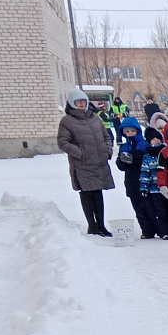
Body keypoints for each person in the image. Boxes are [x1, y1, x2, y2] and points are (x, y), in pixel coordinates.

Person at [57, 86, 115, 237]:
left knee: (98, 194)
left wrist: (107, 151)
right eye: (78, 102)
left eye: (84, 101)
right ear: (72, 103)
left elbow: (107, 136)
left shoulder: (95, 118)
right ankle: (92, 225)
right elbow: (63, 143)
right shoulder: (67, 121)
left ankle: (101, 225)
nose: (82, 104)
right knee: (87, 194)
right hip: (82, 165)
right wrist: (81, 153)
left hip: (99, 163)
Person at [115, 116, 156, 238]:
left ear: (137, 130)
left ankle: (155, 228)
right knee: (138, 208)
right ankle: (146, 230)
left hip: (144, 180)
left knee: (149, 206)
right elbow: (121, 166)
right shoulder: (124, 146)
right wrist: (122, 161)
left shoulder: (143, 144)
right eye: (127, 132)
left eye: (132, 131)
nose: (130, 134)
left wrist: (133, 159)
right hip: (131, 181)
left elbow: (146, 160)